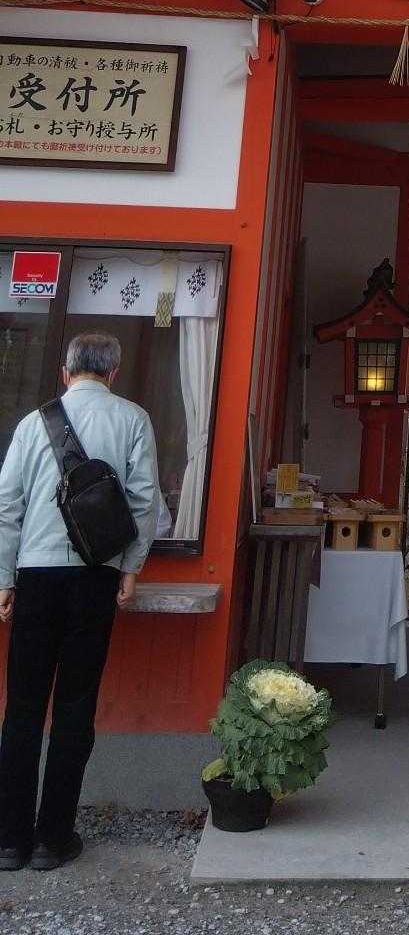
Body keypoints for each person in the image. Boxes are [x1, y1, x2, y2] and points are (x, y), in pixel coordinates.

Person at [0, 333, 160, 871]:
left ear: (65, 372)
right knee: (75, 704)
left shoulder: (32, 423)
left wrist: (3, 578)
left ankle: (9, 839)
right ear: (113, 373)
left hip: (35, 573)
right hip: (96, 576)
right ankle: (52, 838)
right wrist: (130, 568)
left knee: (22, 706)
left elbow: (7, 505)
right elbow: (143, 502)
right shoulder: (133, 419)